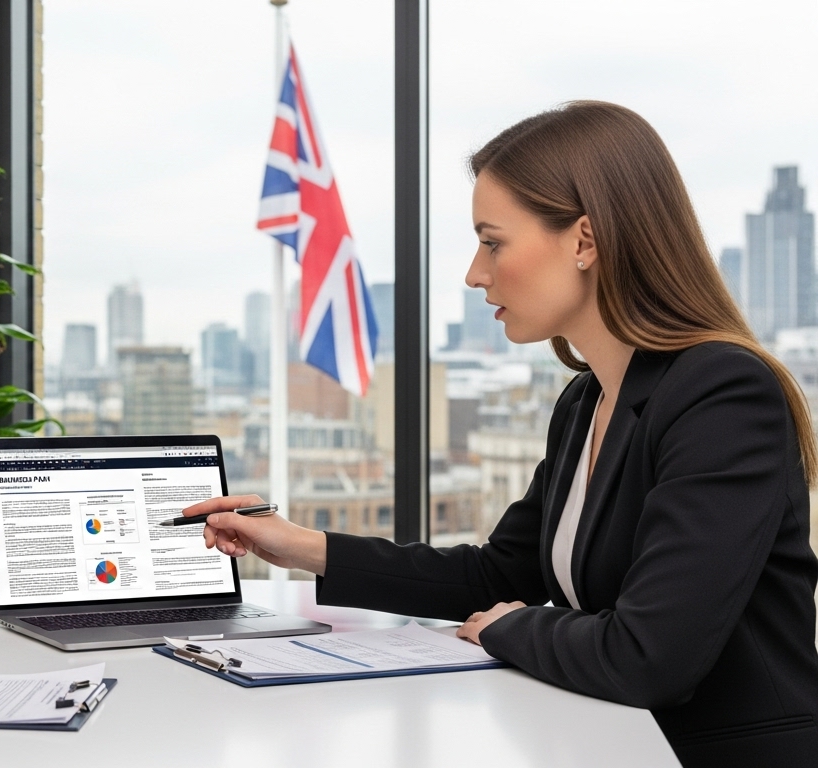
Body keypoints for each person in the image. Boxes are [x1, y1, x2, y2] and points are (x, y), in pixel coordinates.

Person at [187, 102, 818, 768]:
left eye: (493, 242)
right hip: (610, 742)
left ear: (585, 240)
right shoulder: (586, 403)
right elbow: (493, 575)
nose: (474, 273)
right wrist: (299, 546)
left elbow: (651, 655)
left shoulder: (721, 393)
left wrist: (513, 627)